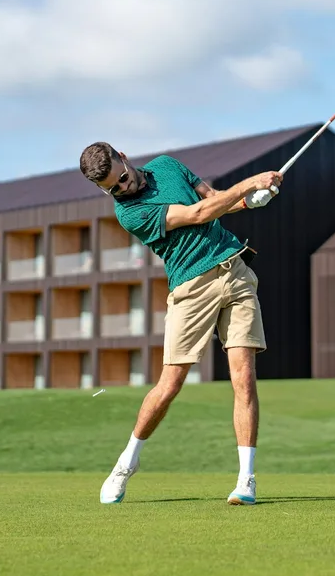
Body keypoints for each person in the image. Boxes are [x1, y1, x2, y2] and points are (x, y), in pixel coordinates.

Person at [79, 141, 283, 505]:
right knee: (170, 383)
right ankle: (127, 462)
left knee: (243, 378)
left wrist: (249, 201)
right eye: (111, 188)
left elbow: (214, 198)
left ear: (124, 156)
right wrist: (251, 183)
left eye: (122, 178)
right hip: (191, 289)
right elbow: (200, 214)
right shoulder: (131, 213)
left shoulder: (169, 166)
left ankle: (245, 479)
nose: (122, 188)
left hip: (234, 272)